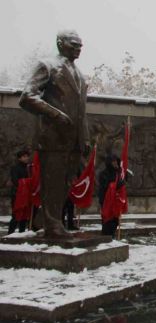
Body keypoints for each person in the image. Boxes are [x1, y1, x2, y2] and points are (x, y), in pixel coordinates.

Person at [19, 30, 90, 240]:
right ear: (60, 43)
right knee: (53, 182)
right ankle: (52, 225)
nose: (78, 49)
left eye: (80, 45)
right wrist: (56, 115)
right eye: (74, 44)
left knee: (66, 182)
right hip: (53, 137)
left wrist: (84, 137)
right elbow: (27, 97)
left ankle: (48, 219)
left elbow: (81, 111)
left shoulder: (80, 75)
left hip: (74, 139)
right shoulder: (47, 66)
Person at [97, 155, 125, 237]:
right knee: (107, 221)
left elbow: (121, 185)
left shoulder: (119, 173)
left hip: (115, 202)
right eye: (113, 161)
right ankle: (106, 238)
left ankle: (111, 237)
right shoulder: (104, 174)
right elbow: (105, 186)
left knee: (115, 221)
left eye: (116, 161)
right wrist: (115, 185)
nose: (115, 163)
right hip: (106, 201)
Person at [7, 150, 31, 234]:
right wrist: (27, 182)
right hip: (17, 194)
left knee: (24, 215)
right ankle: (10, 233)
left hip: (27, 194)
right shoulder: (15, 168)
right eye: (24, 156)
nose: (26, 158)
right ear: (19, 158)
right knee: (16, 215)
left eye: (27, 156)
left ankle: (22, 233)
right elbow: (15, 180)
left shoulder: (29, 168)